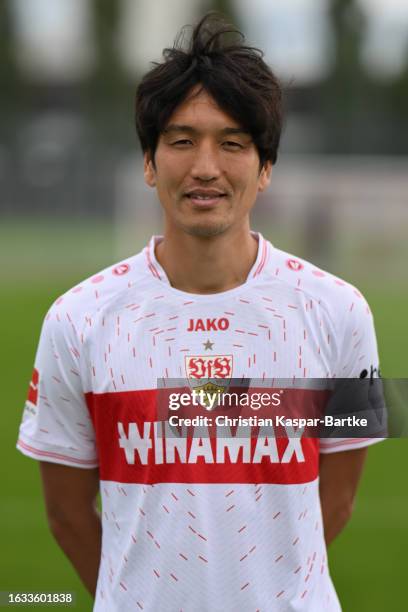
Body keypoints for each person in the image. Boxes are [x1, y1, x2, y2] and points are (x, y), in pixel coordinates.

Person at [17, 13, 384, 611]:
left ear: (265, 168)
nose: (205, 167)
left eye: (233, 143)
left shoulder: (342, 310)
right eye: (182, 140)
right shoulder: (76, 319)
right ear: (148, 161)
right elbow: (64, 511)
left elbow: (338, 502)